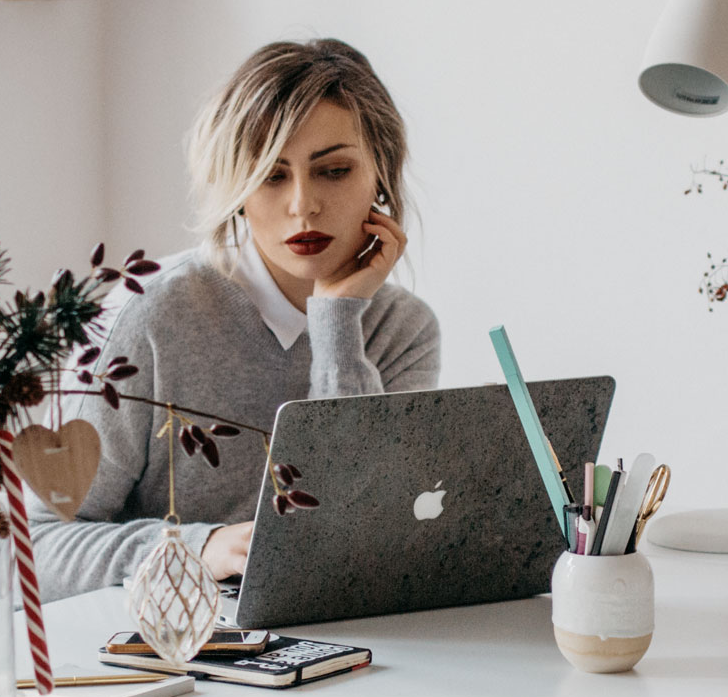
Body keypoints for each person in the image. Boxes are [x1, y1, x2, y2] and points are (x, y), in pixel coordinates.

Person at [31, 40, 440, 601]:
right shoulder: (157, 315)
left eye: (335, 171)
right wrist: (198, 549)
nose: (303, 205)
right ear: (237, 190)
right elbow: (35, 548)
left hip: (292, 647)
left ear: (382, 178)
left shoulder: (403, 331)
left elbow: (360, 537)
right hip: (115, 652)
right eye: (272, 177)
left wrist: (337, 322)